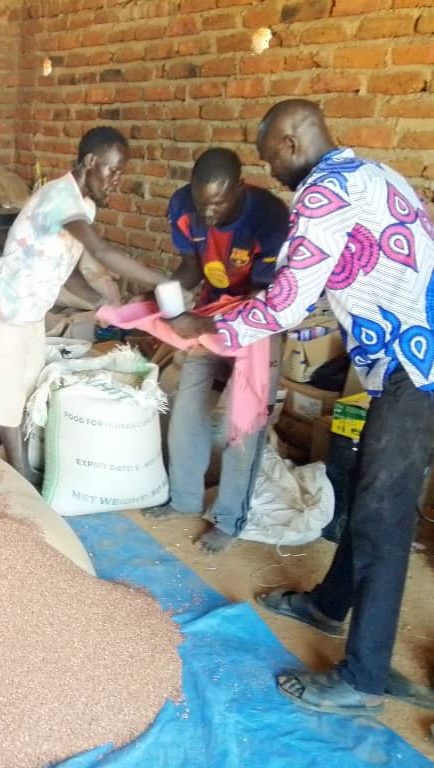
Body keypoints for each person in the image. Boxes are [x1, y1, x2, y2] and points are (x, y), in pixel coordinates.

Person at [168, 99, 434, 716]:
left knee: (383, 518)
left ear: (289, 143)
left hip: (415, 364)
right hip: (403, 354)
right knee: (369, 494)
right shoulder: (374, 173)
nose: (273, 173)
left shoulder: (320, 194)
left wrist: (206, 327)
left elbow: (286, 303)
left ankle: (363, 679)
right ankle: (327, 607)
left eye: (269, 159)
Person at [0, 126, 166, 481]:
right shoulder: (59, 198)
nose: (117, 182)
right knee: (7, 405)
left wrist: (102, 303)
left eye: (120, 173)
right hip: (4, 312)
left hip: (30, 316)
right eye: (113, 171)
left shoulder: (83, 206)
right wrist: (162, 283)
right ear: (90, 161)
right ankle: (21, 478)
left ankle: (19, 464)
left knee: (27, 394)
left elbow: (70, 269)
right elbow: (101, 252)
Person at [142, 148, 289, 554]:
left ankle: (229, 520)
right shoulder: (183, 206)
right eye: (201, 203)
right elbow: (191, 267)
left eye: (218, 204)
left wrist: (210, 324)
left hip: (258, 321)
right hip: (209, 313)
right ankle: (183, 498)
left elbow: (265, 293)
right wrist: (165, 301)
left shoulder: (270, 217)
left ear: (239, 188)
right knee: (188, 407)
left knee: (245, 420)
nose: (207, 214)